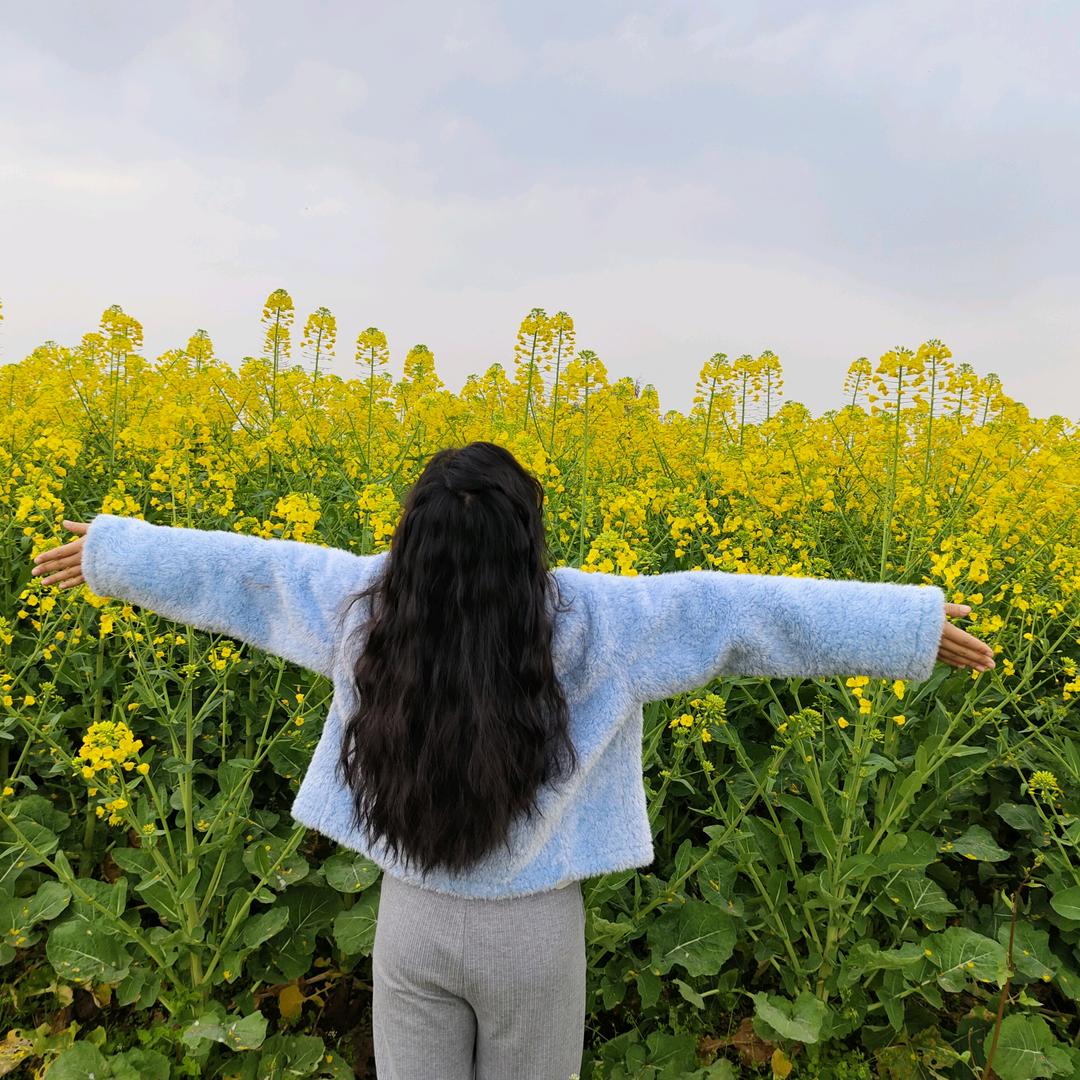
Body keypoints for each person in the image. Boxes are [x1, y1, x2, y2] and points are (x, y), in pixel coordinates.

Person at [31, 440, 994, 1080]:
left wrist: (116, 555)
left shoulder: (365, 605)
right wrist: (906, 625)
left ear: (412, 539)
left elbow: (245, 572)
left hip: (410, 923)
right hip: (536, 937)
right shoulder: (602, 622)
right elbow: (737, 613)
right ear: (528, 537)